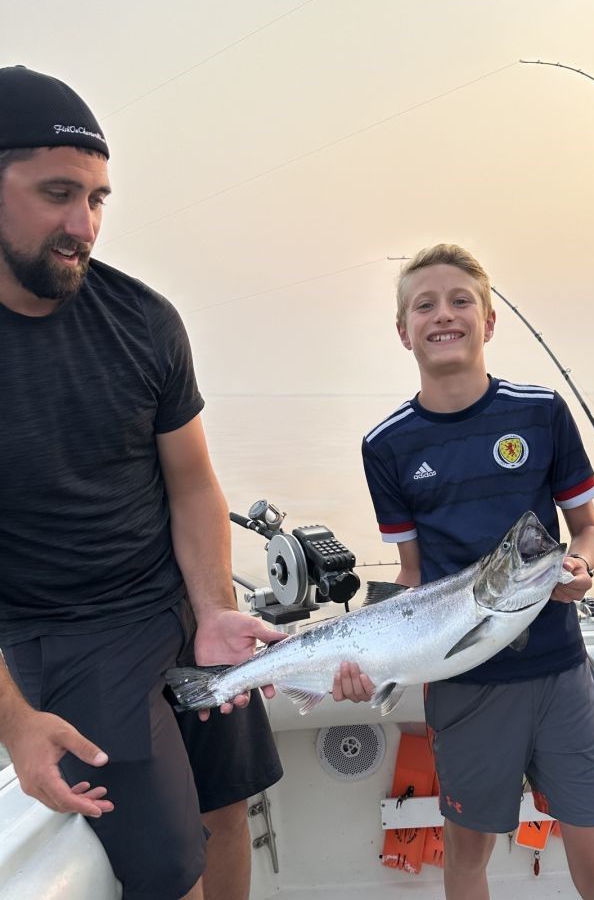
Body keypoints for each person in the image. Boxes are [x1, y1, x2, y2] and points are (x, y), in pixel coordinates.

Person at [0, 65, 370, 900]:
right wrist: (16, 723)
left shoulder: (144, 321)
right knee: (171, 867)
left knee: (229, 807)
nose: (82, 224)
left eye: (97, 199)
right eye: (57, 193)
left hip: (174, 605)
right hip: (67, 637)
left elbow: (195, 483)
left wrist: (210, 610)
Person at [361, 244, 594, 900]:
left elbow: (590, 530)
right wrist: (370, 655)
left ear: (488, 321)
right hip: (463, 680)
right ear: (404, 330)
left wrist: (580, 565)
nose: (443, 314)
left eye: (461, 300)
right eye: (424, 304)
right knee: (466, 855)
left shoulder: (541, 412)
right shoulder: (386, 444)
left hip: (559, 670)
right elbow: (410, 574)